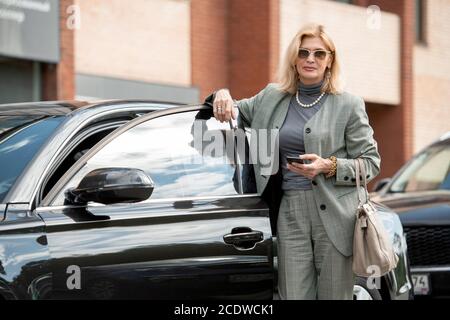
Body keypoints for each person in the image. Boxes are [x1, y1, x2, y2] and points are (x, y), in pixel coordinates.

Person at [205, 23, 381, 300]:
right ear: (294, 58)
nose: (310, 59)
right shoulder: (272, 97)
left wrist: (329, 166)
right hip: (290, 210)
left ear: (330, 61)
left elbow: (370, 163)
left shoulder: (349, 104)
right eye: (303, 52)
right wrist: (221, 93)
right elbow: (231, 111)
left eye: (319, 54)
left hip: (336, 214)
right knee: (293, 294)